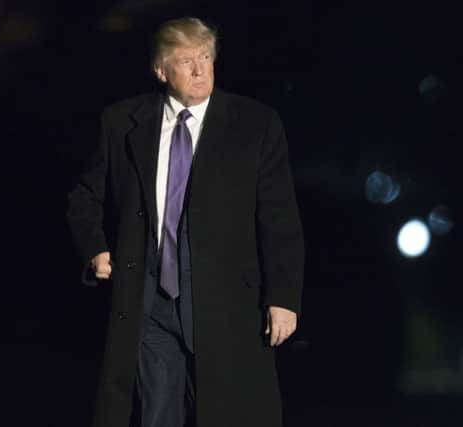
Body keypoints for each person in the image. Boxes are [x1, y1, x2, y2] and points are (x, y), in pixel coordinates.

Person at [66, 17, 304, 427]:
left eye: (206, 57)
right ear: (161, 70)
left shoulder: (255, 124)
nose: (200, 70)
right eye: (186, 61)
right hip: (150, 302)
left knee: (228, 412)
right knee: (156, 414)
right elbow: (83, 196)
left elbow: (279, 217)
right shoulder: (122, 122)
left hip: (227, 304)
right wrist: (95, 248)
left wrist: (282, 296)